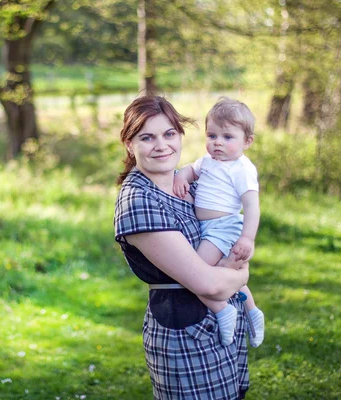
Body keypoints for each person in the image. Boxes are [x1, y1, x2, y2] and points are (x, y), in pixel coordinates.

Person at [114, 95, 251, 399]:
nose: (161, 145)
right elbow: (207, 281)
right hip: (185, 337)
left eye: (169, 134)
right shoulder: (138, 201)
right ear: (129, 143)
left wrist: (231, 271)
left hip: (223, 324)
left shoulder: (190, 183)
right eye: (147, 137)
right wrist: (240, 278)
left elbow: (232, 234)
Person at [172, 97, 265, 349]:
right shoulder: (208, 161)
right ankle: (252, 309)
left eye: (227, 137)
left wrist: (247, 238)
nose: (217, 143)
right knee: (229, 275)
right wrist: (181, 175)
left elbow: (252, 207)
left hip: (224, 228)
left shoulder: (241, 168)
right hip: (209, 229)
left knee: (194, 274)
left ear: (247, 141)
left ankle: (222, 309)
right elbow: (191, 170)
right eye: (212, 135)